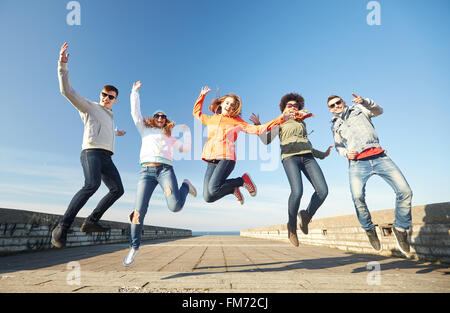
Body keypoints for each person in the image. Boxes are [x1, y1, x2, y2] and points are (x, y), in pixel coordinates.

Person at [52, 42, 126, 249]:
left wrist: (117, 132)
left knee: (118, 190)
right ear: (100, 94)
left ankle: (91, 221)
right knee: (91, 184)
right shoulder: (90, 107)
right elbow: (67, 91)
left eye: (111, 97)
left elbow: (108, 130)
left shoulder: (110, 117)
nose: (106, 99)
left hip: (106, 157)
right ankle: (62, 227)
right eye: (104, 94)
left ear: (115, 100)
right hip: (91, 152)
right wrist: (62, 65)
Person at [328, 93, 413, 255]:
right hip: (357, 163)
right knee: (357, 197)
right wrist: (346, 153)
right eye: (332, 106)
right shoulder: (334, 125)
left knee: (405, 191)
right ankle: (369, 230)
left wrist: (365, 101)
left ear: (343, 102)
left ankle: (401, 228)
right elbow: (338, 146)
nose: (336, 106)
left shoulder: (360, 109)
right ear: (330, 110)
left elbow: (379, 110)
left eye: (338, 102)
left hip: (379, 157)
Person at [123, 81, 196, 266]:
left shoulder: (170, 137)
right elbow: (135, 114)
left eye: (163, 116)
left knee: (175, 206)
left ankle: (186, 186)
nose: (161, 118)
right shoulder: (144, 130)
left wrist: (187, 135)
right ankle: (134, 247)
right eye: (158, 116)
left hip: (165, 171)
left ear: (166, 120)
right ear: (153, 118)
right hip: (146, 172)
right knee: (138, 212)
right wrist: (134, 92)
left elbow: (185, 149)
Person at [250, 93, 332, 247]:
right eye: (290, 105)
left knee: (323, 191)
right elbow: (265, 140)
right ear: (284, 109)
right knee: (297, 192)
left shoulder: (302, 123)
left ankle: (306, 215)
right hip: (290, 158)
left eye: (296, 106)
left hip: (308, 157)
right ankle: (292, 227)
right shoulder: (280, 123)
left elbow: (306, 145)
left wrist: (323, 154)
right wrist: (258, 125)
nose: (293, 107)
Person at [193, 86, 292, 205]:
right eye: (227, 103)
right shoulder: (210, 119)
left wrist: (281, 119)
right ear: (222, 102)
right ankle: (232, 189)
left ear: (235, 109)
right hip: (211, 160)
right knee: (208, 197)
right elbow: (196, 113)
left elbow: (258, 130)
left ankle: (242, 180)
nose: (229, 106)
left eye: (232, 105)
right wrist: (202, 95)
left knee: (213, 189)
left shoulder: (237, 121)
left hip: (226, 158)